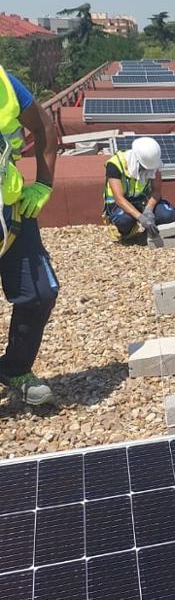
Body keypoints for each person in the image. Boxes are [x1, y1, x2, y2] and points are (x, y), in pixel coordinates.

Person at [0, 65, 59, 405]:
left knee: (39, 292)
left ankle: (14, 368)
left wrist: (43, 185)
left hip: (12, 213)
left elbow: (45, 126)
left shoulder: (4, 85)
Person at [103, 137, 175, 243]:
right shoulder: (115, 164)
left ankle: (150, 233)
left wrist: (148, 210)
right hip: (120, 203)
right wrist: (141, 218)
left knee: (167, 215)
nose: (147, 170)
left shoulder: (154, 163)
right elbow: (118, 198)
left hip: (143, 199)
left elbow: (156, 191)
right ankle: (129, 234)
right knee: (124, 221)